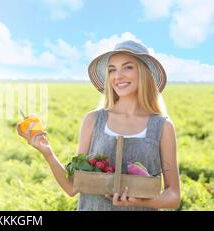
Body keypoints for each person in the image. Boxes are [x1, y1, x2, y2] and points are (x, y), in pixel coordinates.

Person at [17, 40, 181, 211]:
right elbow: (72, 187)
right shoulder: (93, 120)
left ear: (144, 72)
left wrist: (139, 202)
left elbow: (174, 197)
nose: (118, 76)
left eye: (128, 67)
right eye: (112, 70)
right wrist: (47, 152)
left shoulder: (162, 127)